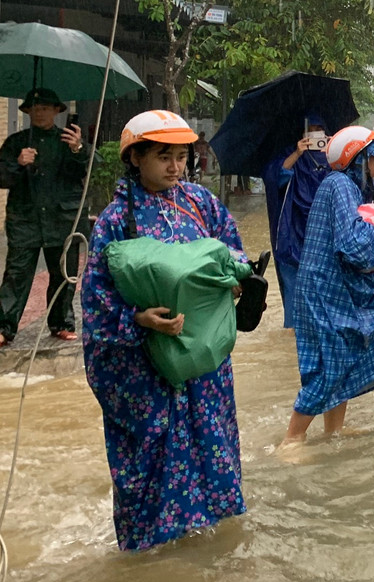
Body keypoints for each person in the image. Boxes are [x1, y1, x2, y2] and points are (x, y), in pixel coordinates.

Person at [79, 110, 248, 551]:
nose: (175, 167)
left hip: (203, 361)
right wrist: (138, 320)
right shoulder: (116, 221)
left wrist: (234, 283)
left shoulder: (201, 203)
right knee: (152, 455)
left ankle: (211, 541)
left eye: (181, 156)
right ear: (135, 158)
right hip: (144, 368)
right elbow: (95, 297)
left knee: (212, 444)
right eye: (163, 157)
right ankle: (151, 553)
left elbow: (231, 254)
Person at [285, 126, 374, 444]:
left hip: (329, 285)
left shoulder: (345, 184)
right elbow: (351, 243)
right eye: (373, 160)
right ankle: (292, 439)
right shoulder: (340, 186)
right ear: (358, 160)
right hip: (324, 290)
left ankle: (333, 429)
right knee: (329, 365)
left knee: (344, 357)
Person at [0, 87, 92, 351]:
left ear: (57, 111)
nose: (40, 112)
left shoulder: (68, 141)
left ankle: (62, 323)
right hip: (25, 221)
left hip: (62, 219)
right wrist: (18, 163)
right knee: (16, 274)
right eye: (35, 108)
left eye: (46, 107)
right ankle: (3, 329)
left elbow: (86, 170)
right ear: (28, 111)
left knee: (63, 275)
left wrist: (78, 150)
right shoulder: (17, 142)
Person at [264, 115, 331, 328]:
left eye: (318, 129)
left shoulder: (332, 156)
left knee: (324, 298)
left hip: (323, 237)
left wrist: (334, 148)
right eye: (309, 130)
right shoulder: (290, 154)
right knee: (294, 298)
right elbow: (275, 177)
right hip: (291, 234)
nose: (314, 134)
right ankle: (290, 340)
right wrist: (297, 153)